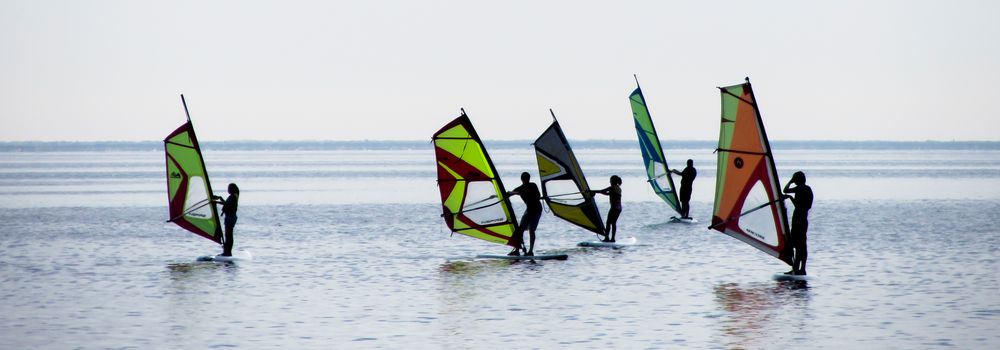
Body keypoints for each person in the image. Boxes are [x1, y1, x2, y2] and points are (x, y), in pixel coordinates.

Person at [783, 172, 812, 275]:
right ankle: (801, 268)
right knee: (802, 244)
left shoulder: (800, 188)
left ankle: (797, 268)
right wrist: (791, 198)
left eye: (794, 179)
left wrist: (790, 181)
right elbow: (804, 206)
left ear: (797, 180)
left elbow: (785, 190)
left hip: (798, 220)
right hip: (803, 219)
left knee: (798, 244)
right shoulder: (807, 189)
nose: (793, 181)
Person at [507, 172, 542, 256]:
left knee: (531, 230)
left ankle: (530, 251)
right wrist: (510, 193)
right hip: (529, 210)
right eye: (525, 179)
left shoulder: (533, 185)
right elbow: (509, 194)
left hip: (536, 210)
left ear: (529, 179)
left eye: (527, 179)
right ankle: (517, 250)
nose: (526, 181)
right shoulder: (520, 188)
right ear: (522, 180)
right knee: (520, 229)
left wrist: (520, 193)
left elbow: (538, 195)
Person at [592, 175, 622, 242]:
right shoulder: (618, 188)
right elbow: (608, 193)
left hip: (614, 208)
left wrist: (591, 191)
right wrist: (595, 192)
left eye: (610, 180)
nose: (609, 181)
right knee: (613, 223)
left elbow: (602, 190)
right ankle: (613, 239)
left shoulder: (612, 187)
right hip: (619, 208)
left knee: (608, 223)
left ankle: (607, 238)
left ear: (612, 181)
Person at [212, 183, 240, 256]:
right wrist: (220, 198)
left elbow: (227, 204)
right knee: (228, 235)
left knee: (228, 235)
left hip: (230, 217)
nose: (228, 190)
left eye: (229, 188)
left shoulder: (233, 196)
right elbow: (226, 203)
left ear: (232, 189)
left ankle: (227, 252)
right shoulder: (233, 196)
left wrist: (216, 202)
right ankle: (227, 251)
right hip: (230, 217)